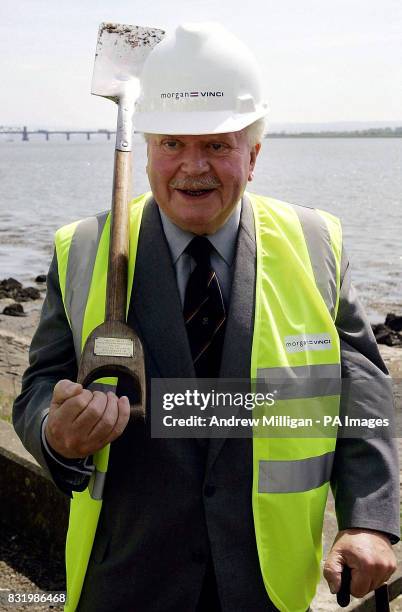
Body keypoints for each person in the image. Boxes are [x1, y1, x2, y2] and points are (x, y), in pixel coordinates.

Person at [13, 22, 399, 612]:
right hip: (124, 579)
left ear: (254, 155)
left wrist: (369, 517)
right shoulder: (83, 247)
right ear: (146, 153)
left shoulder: (316, 242)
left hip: (266, 581)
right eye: (172, 143)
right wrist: (56, 434)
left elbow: (361, 385)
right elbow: (40, 384)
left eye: (217, 145)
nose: (192, 167)